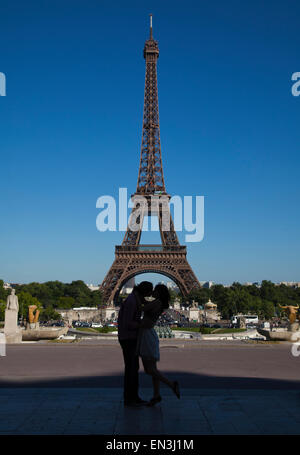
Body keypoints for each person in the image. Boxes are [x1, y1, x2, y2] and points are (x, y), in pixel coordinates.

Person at [136, 284, 180, 406]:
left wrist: (137, 294)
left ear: (159, 293)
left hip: (147, 336)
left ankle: (171, 384)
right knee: (153, 369)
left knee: (149, 369)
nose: (153, 292)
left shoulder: (156, 302)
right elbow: (145, 306)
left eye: (155, 290)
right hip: (149, 334)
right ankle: (156, 395)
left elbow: (141, 308)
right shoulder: (158, 302)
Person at [118, 281, 153, 407]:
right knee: (131, 369)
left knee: (133, 368)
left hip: (129, 337)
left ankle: (133, 397)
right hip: (128, 338)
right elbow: (128, 323)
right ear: (144, 291)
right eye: (148, 293)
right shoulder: (132, 301)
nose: (147, 297)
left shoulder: (135, 299)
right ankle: (130, 399)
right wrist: (141, 325)